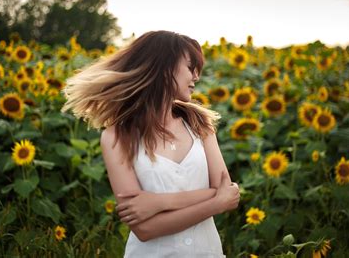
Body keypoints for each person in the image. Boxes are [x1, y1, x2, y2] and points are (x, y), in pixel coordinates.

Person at [61, 30, 240, 257]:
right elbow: (145, 229)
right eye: (190, 67)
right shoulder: (117, 136)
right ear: (164, 68)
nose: (196, 76)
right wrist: (215, 203)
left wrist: (157, 202)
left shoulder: (200, 123)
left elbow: (227, 194)